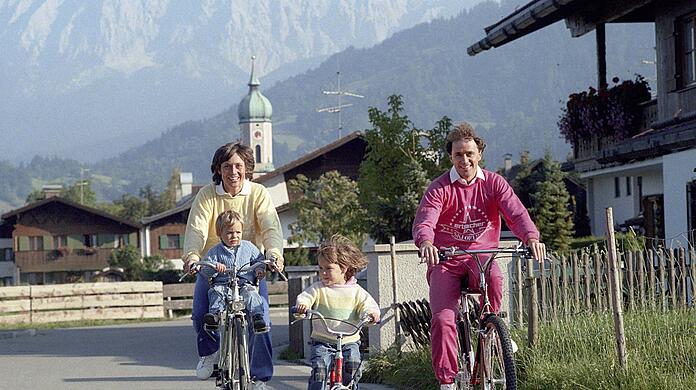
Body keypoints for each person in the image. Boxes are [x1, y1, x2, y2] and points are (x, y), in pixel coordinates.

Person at [412, 122, 545, 390]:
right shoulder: (439, 188)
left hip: (481, 257)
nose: (465, 160)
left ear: (479, 154)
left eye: (469, 153)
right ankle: (447, 381)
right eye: (458, 154)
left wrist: (531, 237)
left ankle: (493, 332)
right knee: (442, 319)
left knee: (495, 278)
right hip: (447, 261)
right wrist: (426, 242)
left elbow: (516, 214)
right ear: (451, 156)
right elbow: (426, 219)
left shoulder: (494, 183)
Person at [183, 142, 284, 389]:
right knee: (200, 313)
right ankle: (210, 353)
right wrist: (192, 256)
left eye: (238, 166)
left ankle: (259, 377)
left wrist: (274, 254)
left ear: (247, 168)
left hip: (249, 270)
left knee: (262, 321)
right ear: (219, 169)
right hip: (212, 269)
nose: (233, 172)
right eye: (227, 166)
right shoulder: (207, 195)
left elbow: (271, 227)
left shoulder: (258, 193)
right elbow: (196, 228)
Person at [294, 234, 380, 390]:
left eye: (329, 269)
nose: (324, 273)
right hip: (323, 340)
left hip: (349, 341)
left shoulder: (356, 291)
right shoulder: (319, 288)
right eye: (321, 268)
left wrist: (371, 314)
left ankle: (350, 386)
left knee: (352, 366)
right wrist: (303, 307)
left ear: (343, 269)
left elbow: (368, 305)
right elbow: (305, 297)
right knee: (319, 370)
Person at [199, 210, 270, 334]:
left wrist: (259, 268)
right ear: (219, 233)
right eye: (229, 233)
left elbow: (259, 259)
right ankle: (214, 316)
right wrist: (215, 267)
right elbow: (205, 270)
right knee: (216, 293)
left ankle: (257, 317)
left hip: (244, 283)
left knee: (251, 294)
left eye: (238, 232)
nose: (234, 236)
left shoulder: (248, 247)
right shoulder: (215, 251)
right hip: (223, 284)